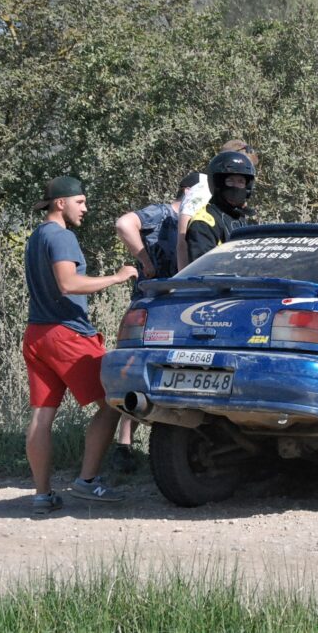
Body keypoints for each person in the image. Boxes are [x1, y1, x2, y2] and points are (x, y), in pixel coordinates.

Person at [22, 175, 138, 514]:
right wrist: (117, 277)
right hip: (67, 335)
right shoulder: (61, 236)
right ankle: (87, 481)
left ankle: (42, 495)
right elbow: (68, 283)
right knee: (113, 403)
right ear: (61, 203)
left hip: (37, 335)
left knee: (42, 415)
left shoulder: (36, 236)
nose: (85, 208)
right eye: (80, 202)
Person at [111, 172, 202, 472]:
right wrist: (146, 263)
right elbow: (124, 224)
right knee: (141, 370)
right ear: (188, 191)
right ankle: (123, 447)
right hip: (152, 304)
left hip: (176, 306)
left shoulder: (194, 220)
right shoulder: (163, 213)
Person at [176, 140, 259, 270]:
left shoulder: (240, 217)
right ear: (218, 183)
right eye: (230, 181)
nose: (236, 186)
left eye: (241, 181)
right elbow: (202, 269)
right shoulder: (204, 222)